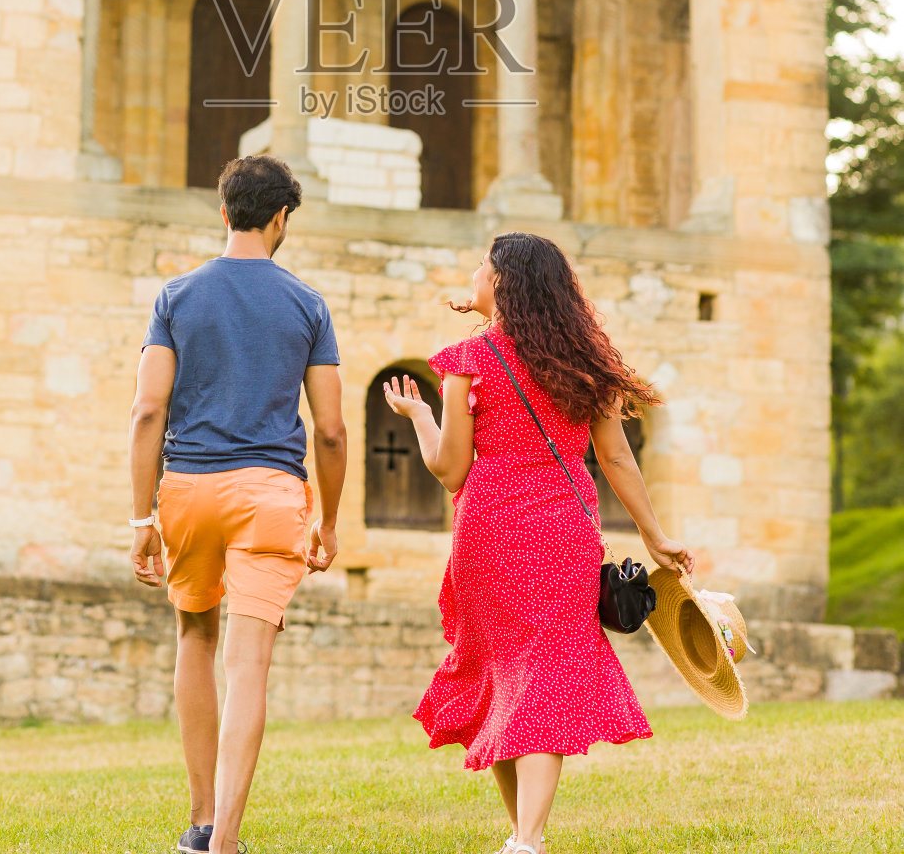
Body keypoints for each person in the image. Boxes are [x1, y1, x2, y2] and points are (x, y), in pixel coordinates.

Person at [385, 232, 693, 854]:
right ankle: (526, 840)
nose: (472, 274)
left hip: (489, 530)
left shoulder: (466, 360)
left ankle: (527, 840)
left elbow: (450, 471)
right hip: (564, 531)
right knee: (541, 673)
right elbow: (615, 457)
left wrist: (422, 418)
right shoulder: (583, 360)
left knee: (504, 675)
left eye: (481, 265)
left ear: (501, 282)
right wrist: (654, 534)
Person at [128, 154, 347, 854]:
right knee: (248, 664)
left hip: (187, 490)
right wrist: (331, 521)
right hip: (270, 497)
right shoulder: (307, 304)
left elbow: (145, 412)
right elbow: (333, 430)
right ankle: (224, 842)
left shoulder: (176, 297)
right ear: (282, 218)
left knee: (195, 637)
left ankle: (198, 820)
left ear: (224, 213)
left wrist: (142, 521)